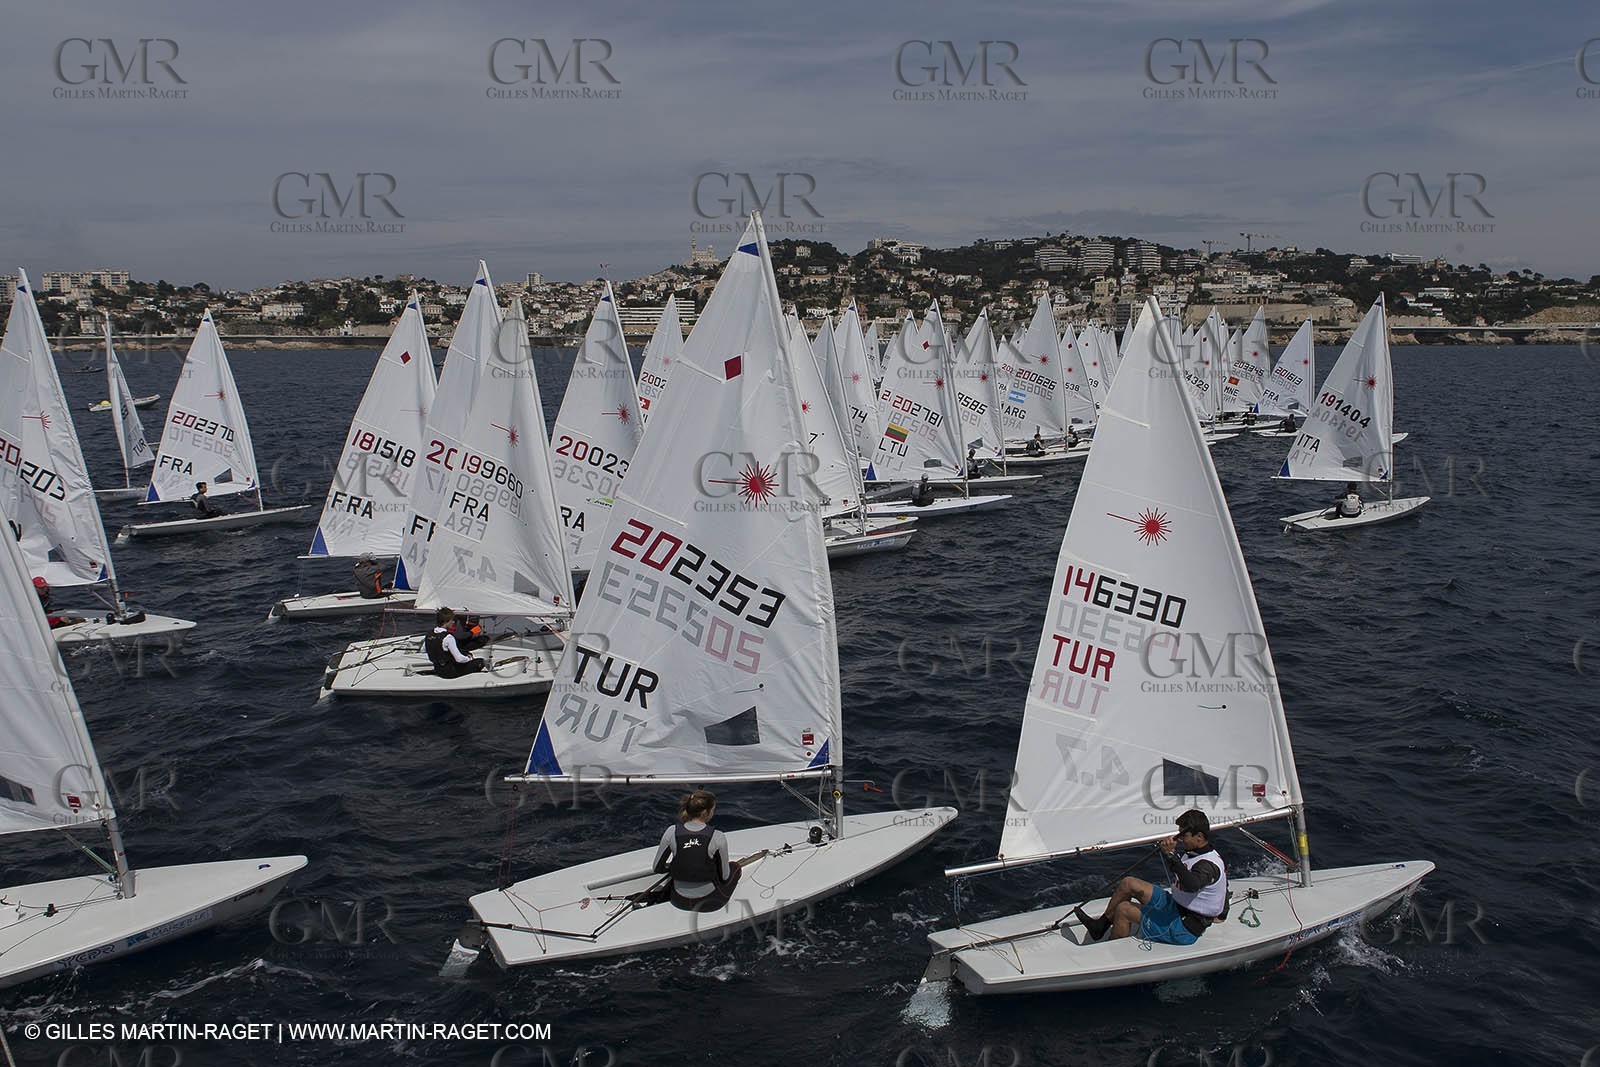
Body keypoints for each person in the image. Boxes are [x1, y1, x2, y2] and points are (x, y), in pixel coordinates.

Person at [1073, 809, 1227, 946]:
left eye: (1183, 835)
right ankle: (1101, 926)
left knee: (1123, 910)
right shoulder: (1194, 851)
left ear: (1199, 836)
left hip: (1183, 927)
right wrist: (1169, 855)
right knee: (1129, 883)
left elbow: (1191, 885)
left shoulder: (1208, 865)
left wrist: (1171, 855)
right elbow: (1221, 885)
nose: (1179, 839)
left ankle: (1113, 951)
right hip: (1176, 907)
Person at [651, 789, 742, 911]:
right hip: (708, 903)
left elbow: (657, 868)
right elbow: (724, 877)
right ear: (707, 812)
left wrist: (677, 867)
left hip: (678, 900)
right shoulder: (718, 836)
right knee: (735, 867)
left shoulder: (671, 831)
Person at [423, 607, 486, 678]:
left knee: (463, 653)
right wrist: (469, 658)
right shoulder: (448, 637)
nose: (453, 622)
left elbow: (424, 650)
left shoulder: (429, 634)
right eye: (452, 620)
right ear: (446, 621)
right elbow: (459, 659)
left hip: (438, 669)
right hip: (450, 672)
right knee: (480, 662)